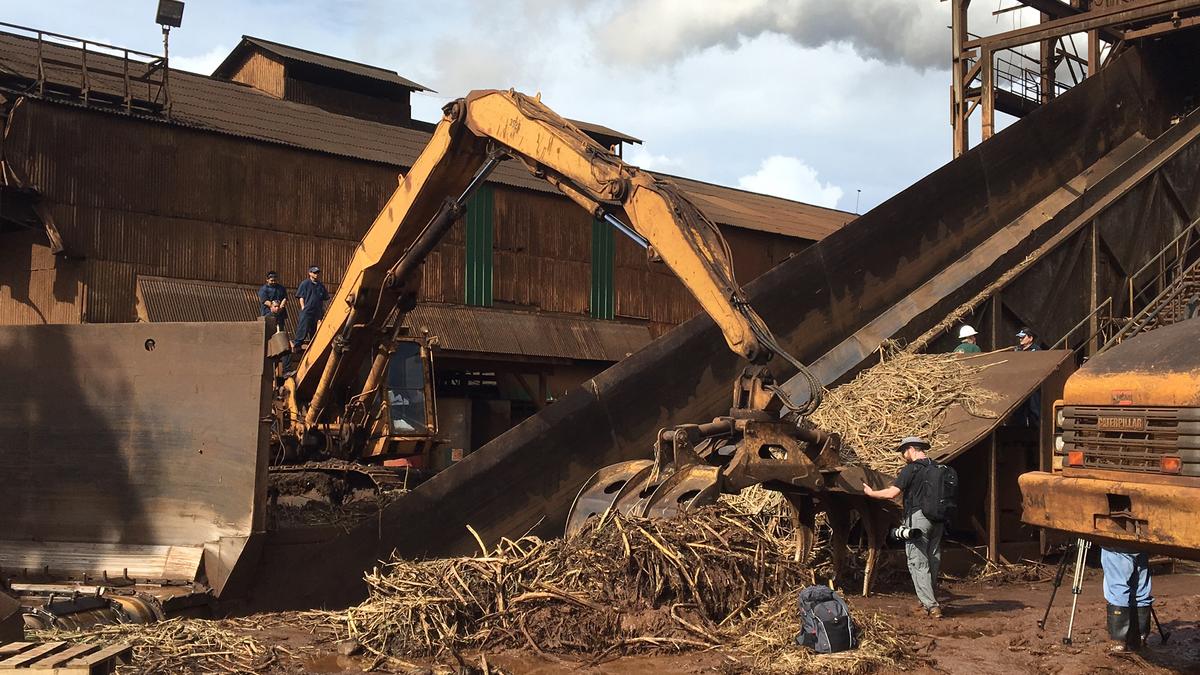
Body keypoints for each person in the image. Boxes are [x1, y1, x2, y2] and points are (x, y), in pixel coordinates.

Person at [862, 436, 944, 618]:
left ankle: (932, 606)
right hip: (938, 520)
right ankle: (927, 601)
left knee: (917, 562)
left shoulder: (911, 469)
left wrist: (871, 493)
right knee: (933, 559)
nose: (902, 455)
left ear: (911, 449)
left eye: (903, 451)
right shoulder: (938, 467)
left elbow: (892, 493)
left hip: (918, 519)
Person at [1100, 547, 1153, 652]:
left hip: (1117, 543)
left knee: (1118, 589)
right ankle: (1139, 638)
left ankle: (1119, 641)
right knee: (1140, 590)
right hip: (1142, 543)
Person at [293, 266, 330, 352]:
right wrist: (303, 308)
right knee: (304, 327)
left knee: (314, 330)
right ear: (310, 273)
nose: (316, 274)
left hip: (317, 311)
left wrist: (323, 309)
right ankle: (298, 345)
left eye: (317, 273)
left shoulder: (320, 285)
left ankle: (313, 346)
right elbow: (301, 297)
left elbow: (325, 298)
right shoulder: (305, 283)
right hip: (307, 310)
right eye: (314, 272)